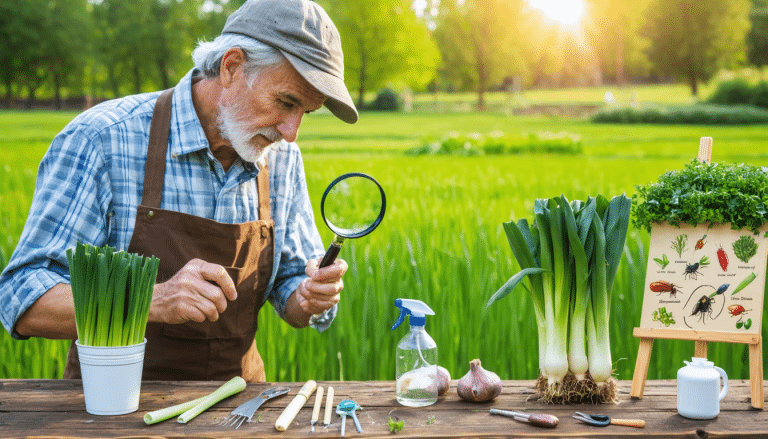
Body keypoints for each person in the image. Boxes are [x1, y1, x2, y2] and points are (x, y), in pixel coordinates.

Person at [0, 0, 358, 382]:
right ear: (232, 67)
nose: (291, 132)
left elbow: (290, 284)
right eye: (286, 102)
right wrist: (150, 300)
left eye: (306, 111)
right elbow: (21, 297)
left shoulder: (282, 158)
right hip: (115, 408)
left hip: (238, 411)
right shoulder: (104, 139)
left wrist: (307, 296)